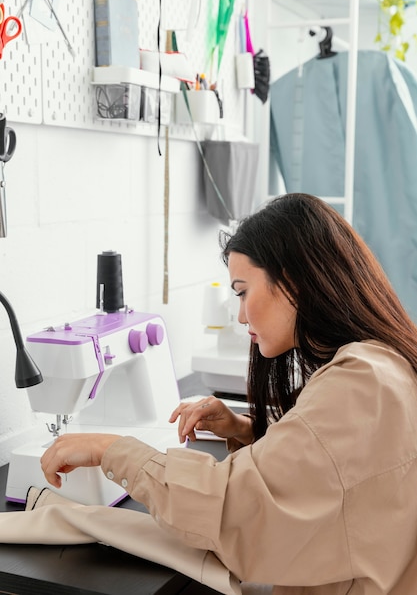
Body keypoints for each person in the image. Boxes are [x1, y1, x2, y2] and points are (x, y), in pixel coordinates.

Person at [40, 193, 417, 594]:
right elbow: (338, 465)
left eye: (241, 291)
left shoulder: (358, 383)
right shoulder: (382, 363)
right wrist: (249, 429)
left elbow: (234, 511)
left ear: (292, 283)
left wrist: (111, 449)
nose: (239, 315)